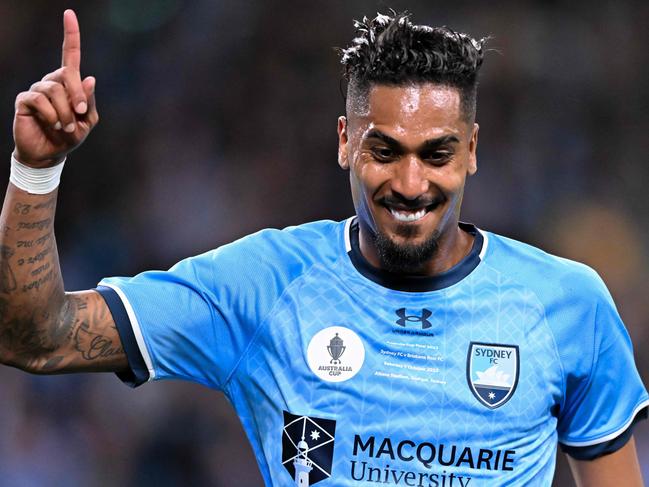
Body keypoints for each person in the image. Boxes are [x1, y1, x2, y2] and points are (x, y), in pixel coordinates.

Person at [0, 8, 646, 486]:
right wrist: (36, 171)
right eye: (383, 150)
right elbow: (35, 338)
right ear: (344, 140)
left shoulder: (567, 304)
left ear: (471, 150)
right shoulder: (261, 286)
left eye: (437, 153)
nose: (410, 183)